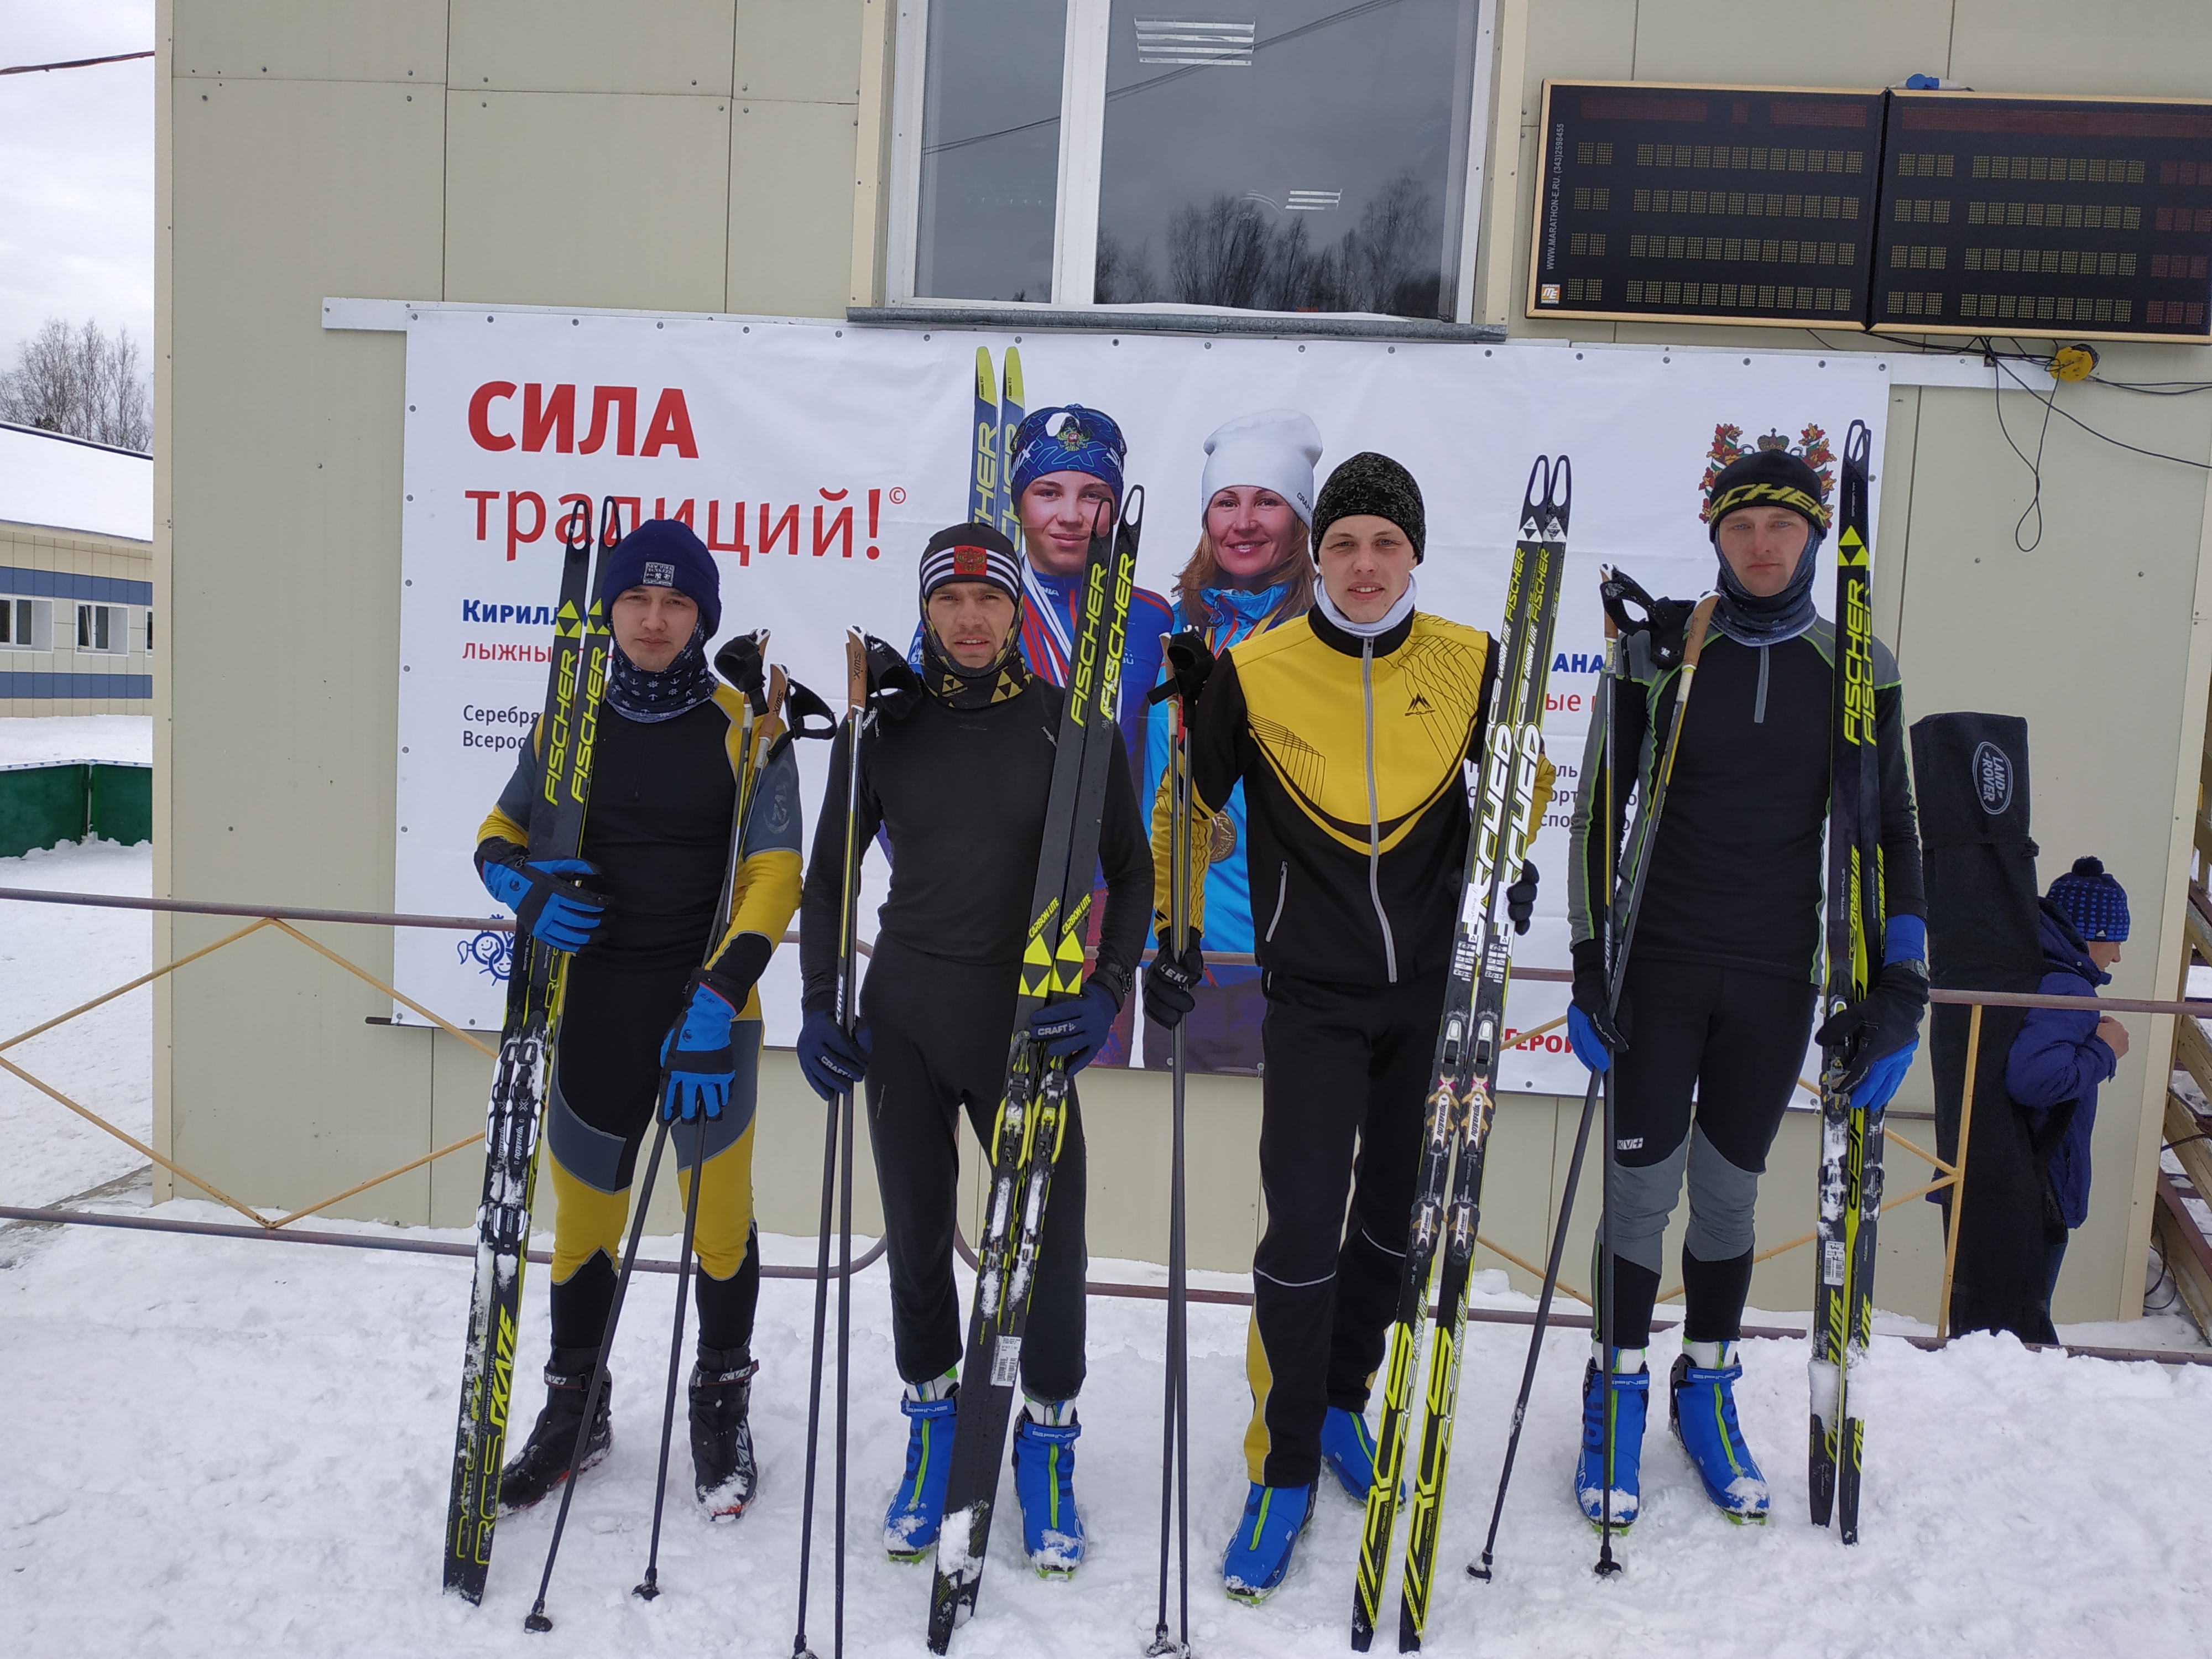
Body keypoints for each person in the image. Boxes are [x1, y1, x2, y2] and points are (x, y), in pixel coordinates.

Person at [1144, 453, 1551, 1601]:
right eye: (1342, 545)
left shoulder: (1472, 660)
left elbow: (1520, 781)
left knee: (1392, 1219)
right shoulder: (1256, 670)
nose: (1364, 566)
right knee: (1302, 1226)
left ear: (1413, 552)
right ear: (1315, 557)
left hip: (1430, 996)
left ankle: (1339, 1401)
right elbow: (1186, 810)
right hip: (1314, 999)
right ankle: (1279, 1463)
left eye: (1384, 544)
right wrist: (1174, 931)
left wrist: (1506, 861)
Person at [1563, 444, 1926, 1528]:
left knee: (1727, 1199)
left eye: (1782, 525)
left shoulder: (1855, 666)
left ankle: (1705, 1388)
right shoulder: (1662, 652)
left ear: (1814, 537)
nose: (1761, 544)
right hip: (1658, 966)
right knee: (1640, 1196)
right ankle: (1616, 1393)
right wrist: (1587, 962)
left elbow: (1893, 836)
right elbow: (1596, 813)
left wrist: (1902, 985)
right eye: (1740, 526)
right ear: (1714, 536)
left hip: (1775, 977)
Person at [796, 523, 1151, 1575]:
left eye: (989, 598)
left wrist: (1108, 991)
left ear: (1015, 607)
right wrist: (819, 1003)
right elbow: (830, 880)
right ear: (926, 609)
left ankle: (1047, 1446)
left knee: (1052, 1250)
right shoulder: (882, 727)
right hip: (906, 1016)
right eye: (948, 600)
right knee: (915, 1240)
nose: (969, 618)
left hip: (1027, 1024)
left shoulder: (1071, 725)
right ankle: (934, 1430)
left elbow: (1132, 872)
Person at [478, 517, 804, 1522]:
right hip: (596, 1010)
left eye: (676, 603)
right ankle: (575, 1408)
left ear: (703, 616)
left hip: (710, 1014)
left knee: (719, 1223)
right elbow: (499, 833)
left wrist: (719, 994)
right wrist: (522, 888)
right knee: (583, 1224)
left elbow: (774, 877)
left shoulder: (748, 726)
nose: (654, 620)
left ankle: (720, 1403)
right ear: (610, 609)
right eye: (636, 599)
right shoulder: (569, 722)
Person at [1138, 409, 1322, 1074]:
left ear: (1299, 521)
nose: (1243, 522)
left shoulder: (1322, 641)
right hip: (1173, 953)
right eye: (1226, 502)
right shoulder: (1171, 635)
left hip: (1278, 959)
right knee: (1168, 1134)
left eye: (1267, 501)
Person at [2007, 855, 2131, 1310]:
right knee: (2027, 1321)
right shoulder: (2069, 989)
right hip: (2039, 1185)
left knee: (2002, 1319)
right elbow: (2035, 1081)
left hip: (2008, 1177)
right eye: (2116, 941)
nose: (2118, 956)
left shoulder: (2031, 972)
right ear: (2094, 935)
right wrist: (2105, 1050)